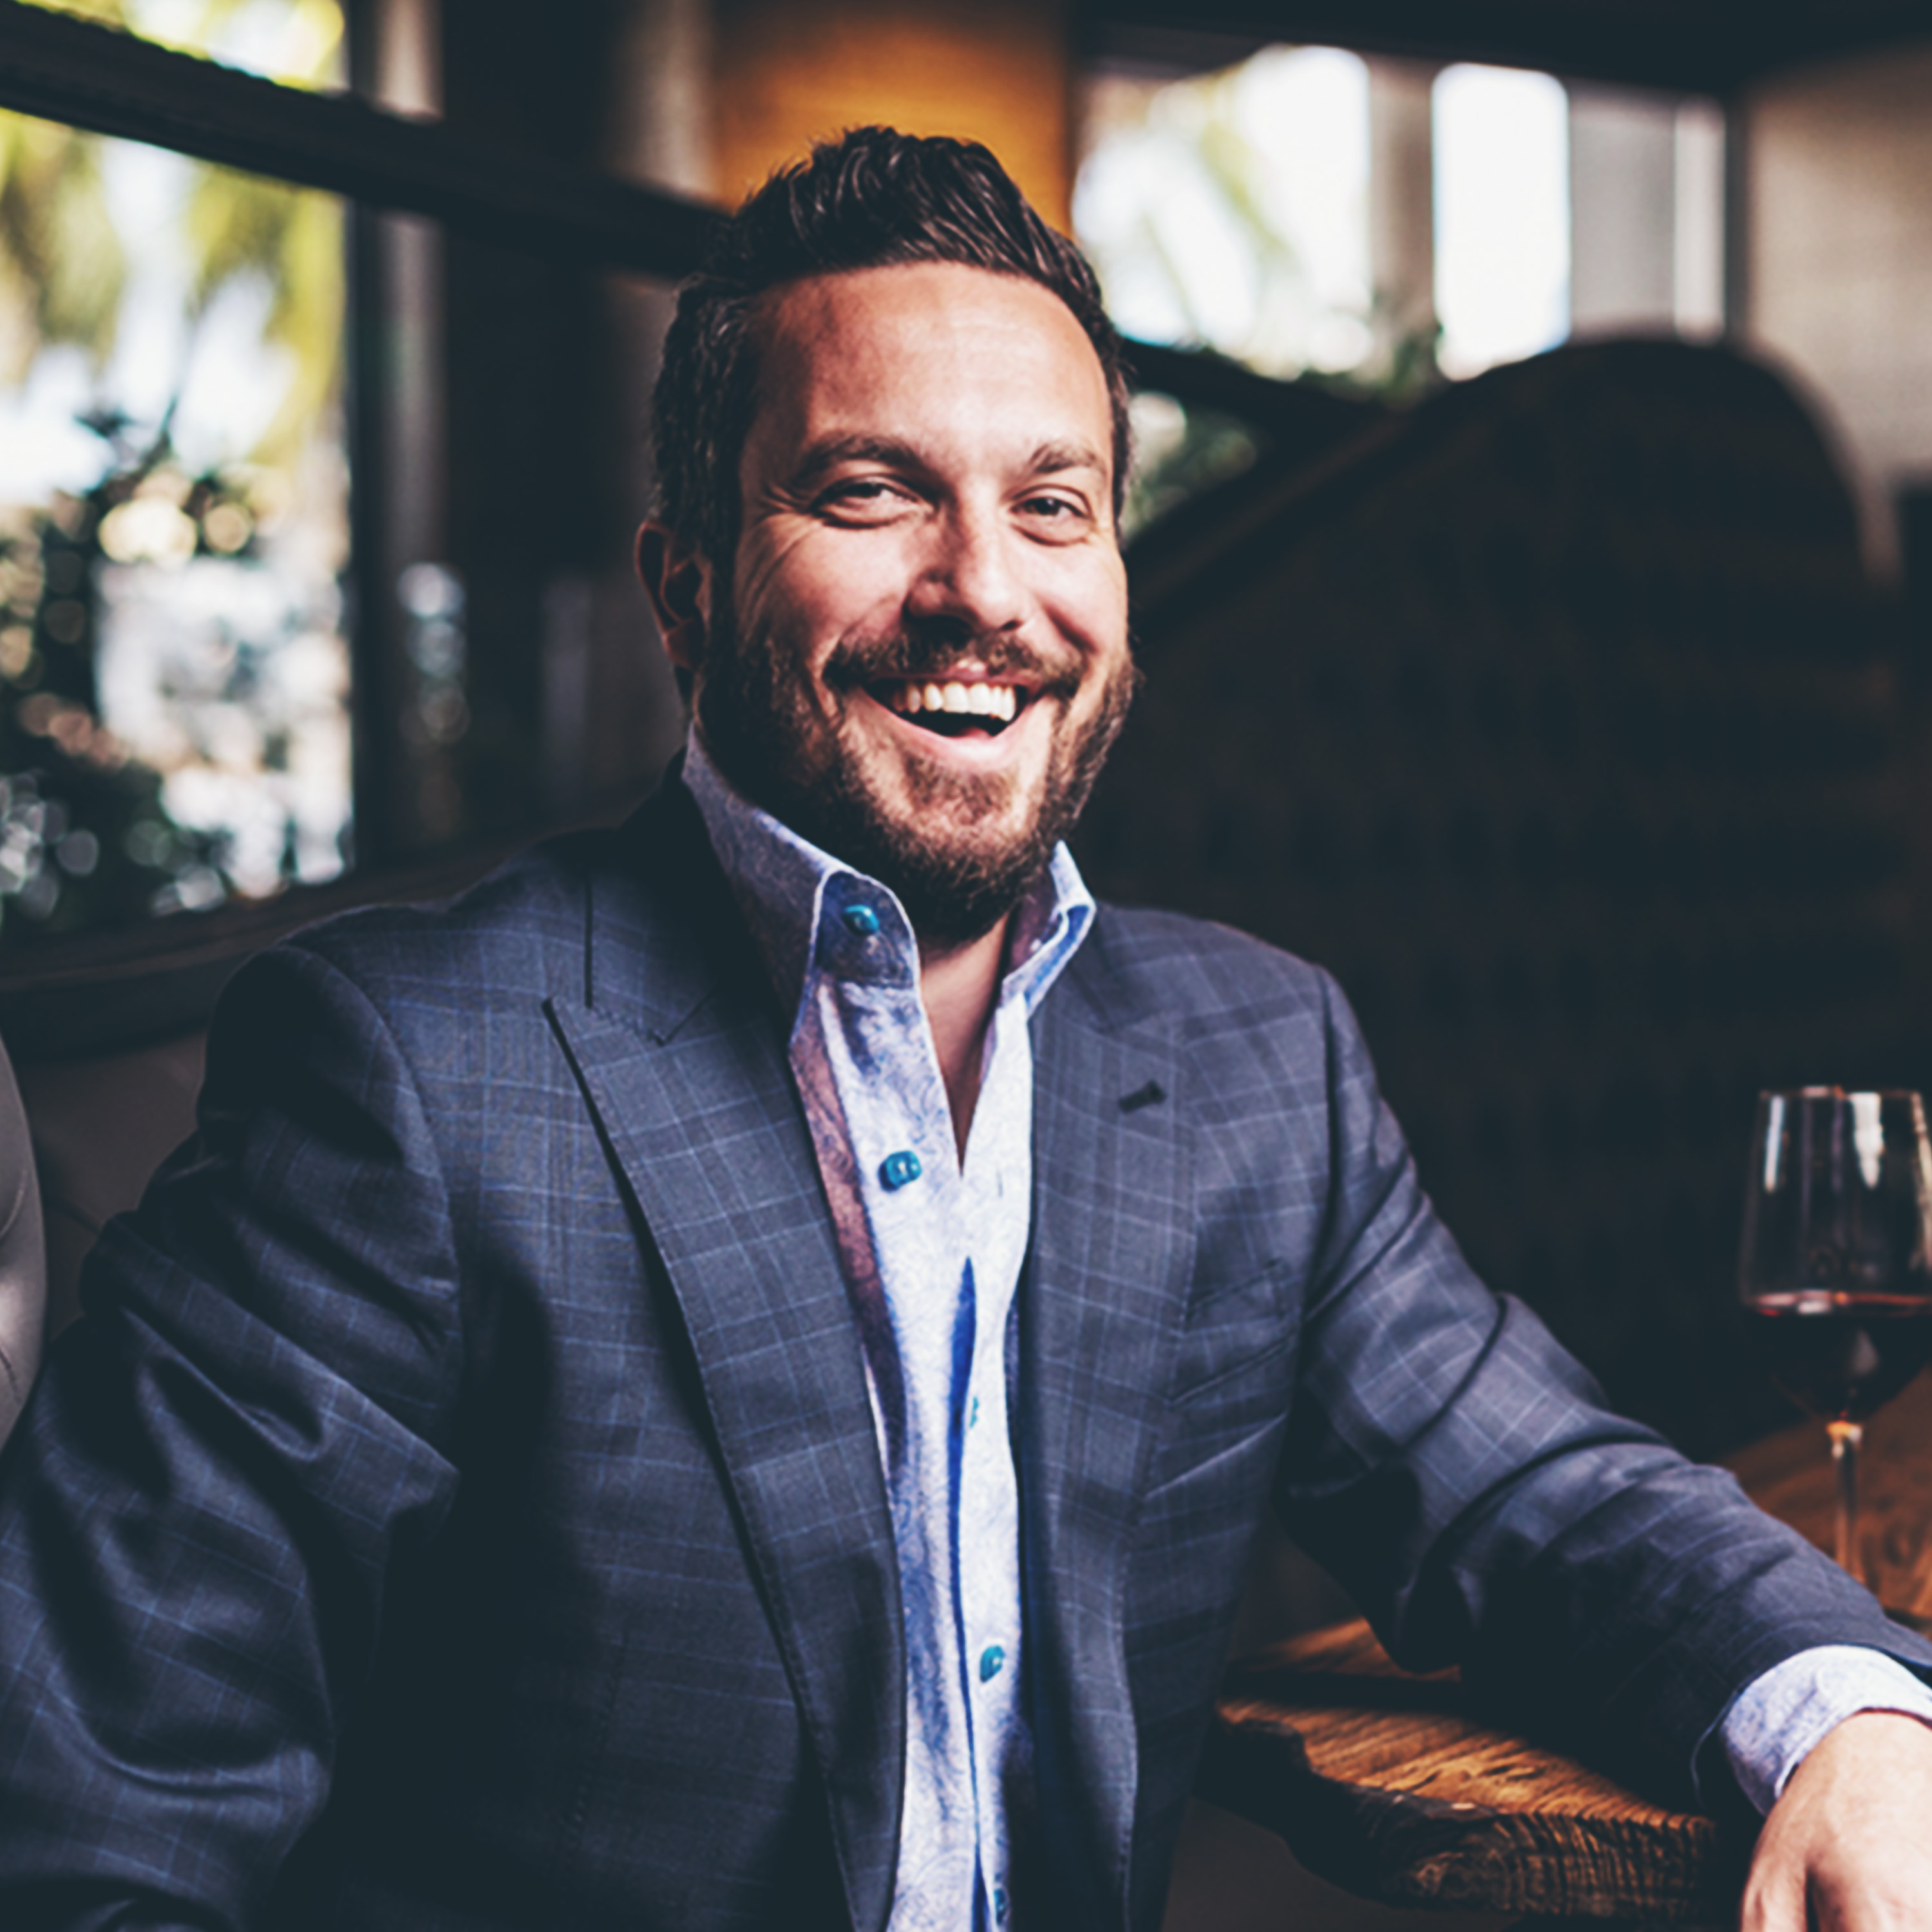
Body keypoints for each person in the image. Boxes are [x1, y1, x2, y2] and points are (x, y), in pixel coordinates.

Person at [0, 127, 1928, 1932]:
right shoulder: (407, 1077)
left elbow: (1537, 1493)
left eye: (1053, 507)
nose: (984, 591)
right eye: (872, 492)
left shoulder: (1261, 1062)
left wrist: (1846, 1714)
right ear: (686, 588)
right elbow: (95, 1830)